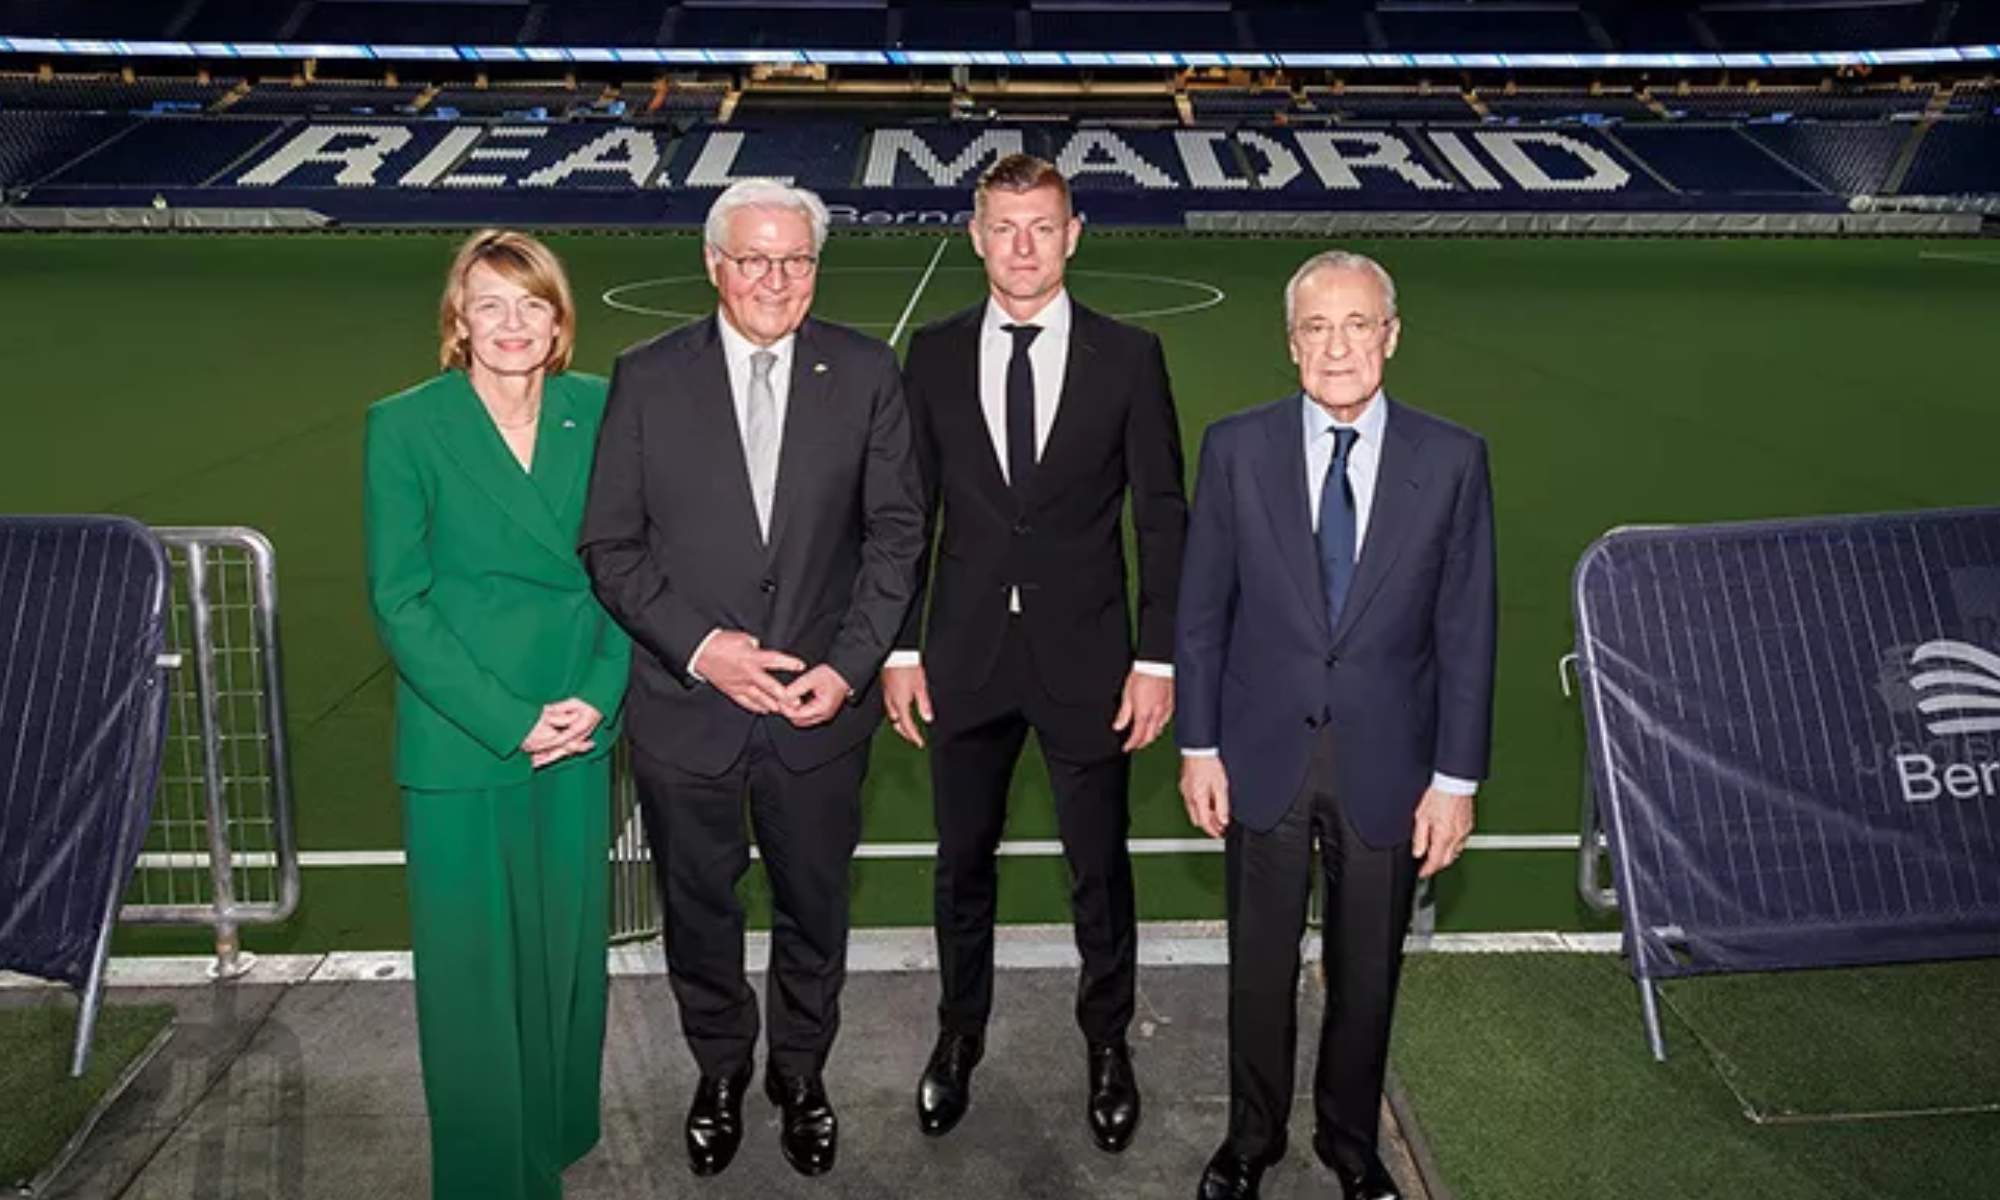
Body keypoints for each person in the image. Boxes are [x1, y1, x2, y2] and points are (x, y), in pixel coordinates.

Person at [578, 179, 924, 1179]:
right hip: (688, 712)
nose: (776, 280)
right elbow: (610, 544)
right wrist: (703, 649)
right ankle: (720, 1069)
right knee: (699, 908)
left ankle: (801, 1076)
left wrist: (849, 666)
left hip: (818, 713)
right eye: (755, 260)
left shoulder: (863, 370)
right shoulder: (646, 375)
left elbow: (896, 535)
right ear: (713, 265)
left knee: (816, 906)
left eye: (796, 261)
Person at [881, 153, 1188, 1151]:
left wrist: (1157, 658)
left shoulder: (1129, 356)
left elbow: (1161, 518)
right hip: (963, 658)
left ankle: (1107, 1045)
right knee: (958, 865)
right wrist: (895, 645)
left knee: (1098, 869)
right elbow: (902, 515)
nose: (1021, 247)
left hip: (1089, 662)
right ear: (974, 235)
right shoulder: (926, 356)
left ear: (1072, 234)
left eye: (1041, 227)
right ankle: (956, 1036)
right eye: (1003, 228)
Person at [1176, 251, 1496, 1200]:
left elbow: (1467, 629)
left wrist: (1457, 779)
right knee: (1258, 972)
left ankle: (1353, 1150)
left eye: (1358, 324)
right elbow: (1201, 614)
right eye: (1317, 327)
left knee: (1368, 980)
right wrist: (1198, 747)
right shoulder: (1236, 448)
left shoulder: (1452, 458)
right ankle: (1250, 1143)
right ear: (1290, 345)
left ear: (1391, 336)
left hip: (1390, 767)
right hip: (1262, 757)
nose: (1338, 346)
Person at [363, 229, 629, 1200]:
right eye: (490, 304)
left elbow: (631, 568)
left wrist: (597, 698)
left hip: (577, 731)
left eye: (531, 304)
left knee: (562, 956)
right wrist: (509, 717)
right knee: (475, 975)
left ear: (558, 321)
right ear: (457, 321)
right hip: (465, 738)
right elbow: (400, 600)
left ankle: (553, 1130)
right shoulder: (405, 425)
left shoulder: (601, 411)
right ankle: (486, 1179)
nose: (511, 324)